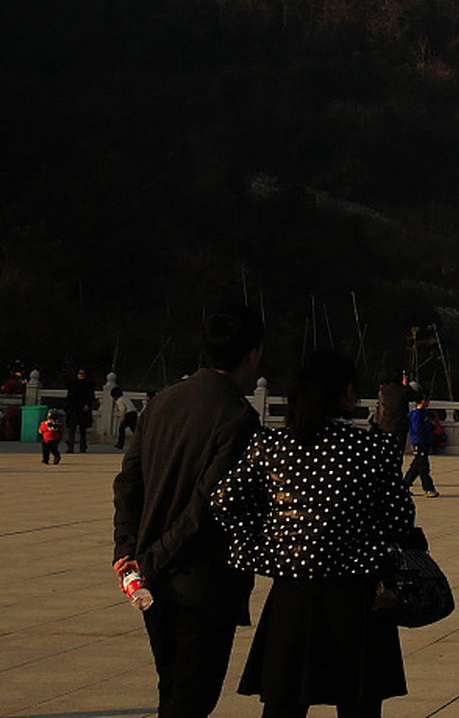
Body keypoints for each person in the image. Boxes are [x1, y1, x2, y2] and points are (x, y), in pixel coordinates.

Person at [211, 351, 414, 718]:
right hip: (358, 595)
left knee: (284, 704)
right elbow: (400, 519)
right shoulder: (373, 449)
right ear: (348, 393)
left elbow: (224, 502)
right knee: (359, 705)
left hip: (293, 592)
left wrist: (264, 546)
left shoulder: (272, 445)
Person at [112, 304, 265, 718]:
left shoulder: (162, 402)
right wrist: (152, 559)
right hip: (203, 581)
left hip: (151, 581)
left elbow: (129, 483)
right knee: (192, 698)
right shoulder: (238, 417)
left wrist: (128, 553)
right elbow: (208, 506)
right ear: (252, 353)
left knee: (173, 687)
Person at [404, 394, 439, 497]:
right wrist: (429, 426)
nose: (428, 403)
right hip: (419, 441)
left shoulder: (425, 413)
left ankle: (404, 486)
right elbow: (417, 429)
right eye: (427, 400)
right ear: (422, 401)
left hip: (425, 441)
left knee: (416, 467)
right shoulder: (416, 414)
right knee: (423, 467)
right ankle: (428, 488)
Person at [64, 364, 99, 452]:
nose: (82, 375)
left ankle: (82, 447)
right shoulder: (73, 384)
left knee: (83, 429)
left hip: (84, 410)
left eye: (83, 373)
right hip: (73, 409)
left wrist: (88, 405)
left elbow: (91, 397)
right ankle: (70, 447)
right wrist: (67, 408)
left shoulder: (88, 385)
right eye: (80, 373)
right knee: (72, 429)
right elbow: (70, 397)